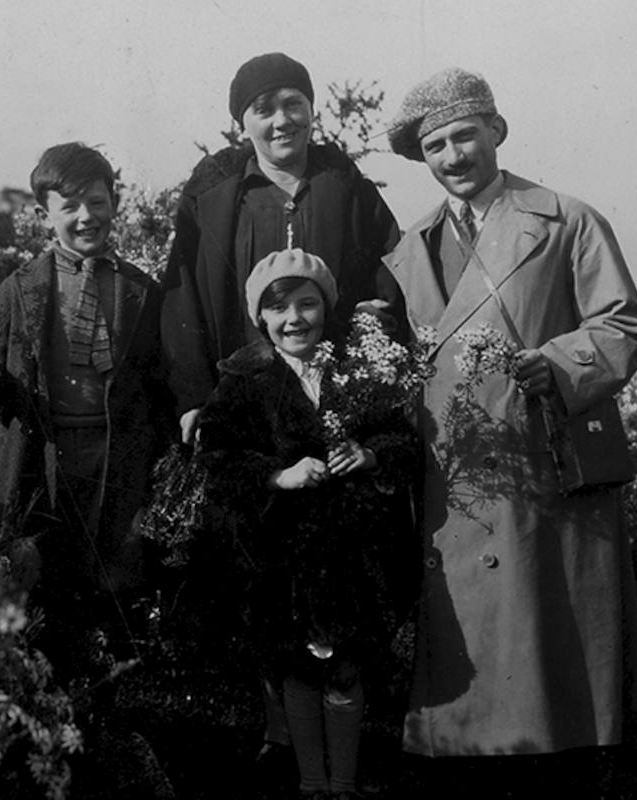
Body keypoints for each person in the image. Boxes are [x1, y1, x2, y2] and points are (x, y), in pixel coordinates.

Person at [381, 67, 637, 795]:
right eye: (434, 145)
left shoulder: (567, 220)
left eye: (463, 134)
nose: (452, 155)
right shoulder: (411, 249)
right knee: (468, 686)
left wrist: (559, 361)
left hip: (542, 466)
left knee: (547, 678)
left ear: (495, 132)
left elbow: (624, 324)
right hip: (457, 481)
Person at [159, 50, 401, 768]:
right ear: (242, 122)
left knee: (328, 562)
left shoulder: (344, 186)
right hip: (247, 399)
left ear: (311, 109)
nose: (281, 118)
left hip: (329, 397)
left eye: (292, 101)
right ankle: (278, 725)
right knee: (254, 559)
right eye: (263, 107)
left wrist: (373, 382)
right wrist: (195, 397)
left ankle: (335, 732)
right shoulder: (217, 195)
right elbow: (184, 298)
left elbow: (385, 279)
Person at [194, 249, 419, 800]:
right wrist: (278, 476)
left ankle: (343, 784)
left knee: (344, 666)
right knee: (294, 665)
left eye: (307, 304)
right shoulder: (243, 379)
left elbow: (403, 440)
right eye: (278, 309)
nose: (294, 319)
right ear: (260, 318)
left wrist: (367, 455)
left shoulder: (357, 371)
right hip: (279, 550)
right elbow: (217, 456)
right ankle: (311, 784)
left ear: (328, 308)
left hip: (349, 548)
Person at [0, 142, 171, 679]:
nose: (86, 217)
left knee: (110, 563)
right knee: (37, 562)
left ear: (115, 203)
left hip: (113, 454)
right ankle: (46, 680)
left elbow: (156, 379)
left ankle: (108, 686)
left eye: (97, 202)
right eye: (70, 206)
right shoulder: (17, 291)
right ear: (43, 215)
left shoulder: (141, 292)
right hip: (45, 451)